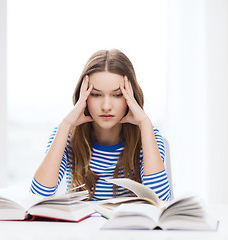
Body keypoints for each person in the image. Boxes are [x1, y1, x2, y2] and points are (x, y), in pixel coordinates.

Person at [30, 49, 171, 201]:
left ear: (131, 96)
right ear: (83, 96)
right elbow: (37, 197)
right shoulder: (67, 135)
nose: (106, 106)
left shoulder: (148, 136)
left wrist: (144, 123)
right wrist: (65, 125)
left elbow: (160, 201)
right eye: (96, 94)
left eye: (117, 95)